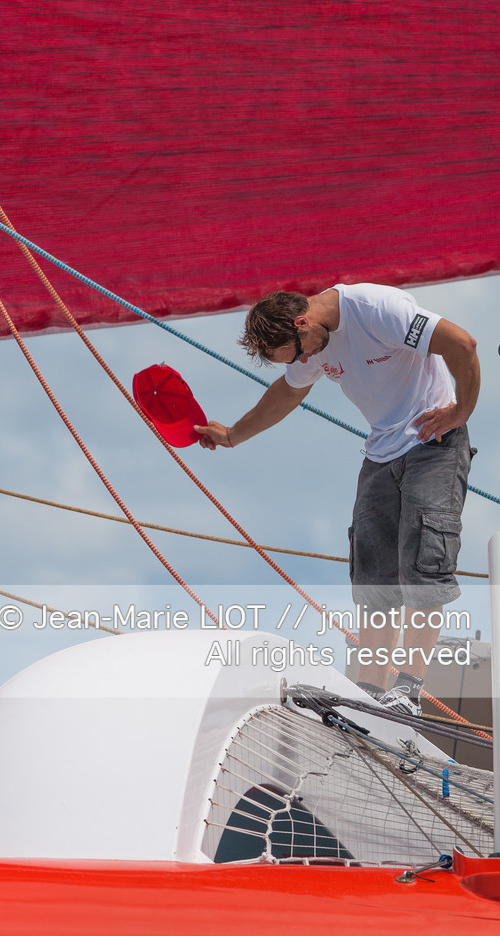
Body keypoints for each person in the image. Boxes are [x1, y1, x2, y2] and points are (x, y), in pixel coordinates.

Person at [195, 284, 479, 715]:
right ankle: (370, 692)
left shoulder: (376, 310)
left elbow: (462, 343)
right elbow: (288, 393)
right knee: (372, 578)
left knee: (424, 563)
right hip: (381, 455)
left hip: (433, 442)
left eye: (301, 353)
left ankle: (410, 690)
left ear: (303, 322)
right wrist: (233, 435)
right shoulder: (309, 342)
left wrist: (459, 412)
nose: (306, 363)